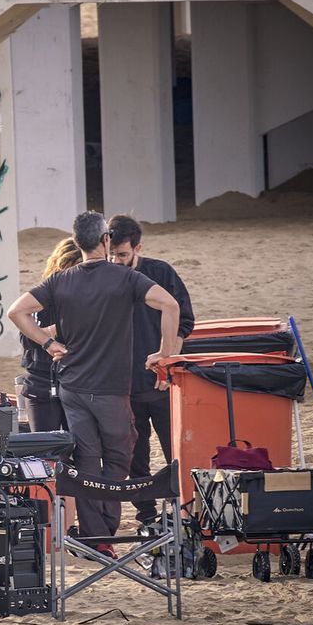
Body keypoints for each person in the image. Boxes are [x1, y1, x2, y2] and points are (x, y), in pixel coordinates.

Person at [5, 211, 182, 554]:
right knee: (119, 455)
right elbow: (170, 305)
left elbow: (16, 311)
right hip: (111, 389)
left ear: (77, 243)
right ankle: (105, 532)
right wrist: (164, 353)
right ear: (105, 240)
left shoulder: (60, 280)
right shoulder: (125, 278)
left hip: (72, 387)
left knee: (86, 460)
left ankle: (95, 535)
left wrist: (47, 343)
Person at [107, 215, 196, 527]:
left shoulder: (161, 272)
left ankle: (185, 511)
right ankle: (146, 515)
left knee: (176, 450)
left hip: (162, 384)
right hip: (123, 386)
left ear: (138, 248)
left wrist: (168, 361)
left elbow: (185, 320)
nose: (116, 261)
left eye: (122, 254)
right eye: (111, 254)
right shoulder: (104, 277)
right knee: (136, 455)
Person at [17, 238, 83, 433]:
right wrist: (56, 329)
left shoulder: (91, 297)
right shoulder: (42, 296)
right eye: (74, 268)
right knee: (45, 444)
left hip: (79, 382)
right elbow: (26, 339)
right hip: (42, 382)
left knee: (81, 444)